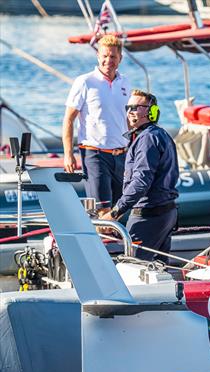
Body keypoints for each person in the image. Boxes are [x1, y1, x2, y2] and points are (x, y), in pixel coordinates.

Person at [99, 90, 179, 263]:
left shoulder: (147, 139)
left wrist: (115, 212)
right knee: (158, 268)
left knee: (133, 268)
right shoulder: (157, 135)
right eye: (128, 107)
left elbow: (141, 182)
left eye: (136, 107)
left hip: (149, 216)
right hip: (165, 213)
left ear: (152, 112)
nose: (130, 112)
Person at [63, 34, 130, 214]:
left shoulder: (125, 82)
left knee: (118, 210)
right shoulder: (84, 82)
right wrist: (68, 155)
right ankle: (103, 241)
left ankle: (114, 241)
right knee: (103, 211)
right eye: (105, 56)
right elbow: (69, 119)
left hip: (120, 155)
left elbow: (128, 120)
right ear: (98, 56)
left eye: (113, 56)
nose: (108, 60)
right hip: (95, 154)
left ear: (120, 58)